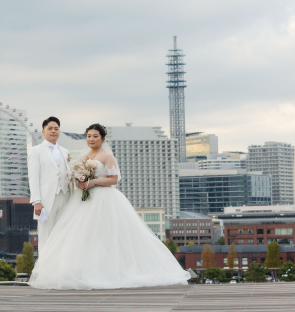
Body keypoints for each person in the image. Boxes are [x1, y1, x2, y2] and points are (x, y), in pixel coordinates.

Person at [28, 123, 191, 290]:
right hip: (83, 200)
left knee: (105, 235)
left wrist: (93, 182)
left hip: (104, 198)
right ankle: (83, 272)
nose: (91, 139)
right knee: (83, 236)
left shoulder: (106, 156)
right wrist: (80, 182)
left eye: (95, 136)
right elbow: (74, 175)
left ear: (102, 138)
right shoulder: (83, 157)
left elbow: (114, 179)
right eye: (89, 136)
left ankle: (111, 272)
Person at [27, 116, 72, 253]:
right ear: (43, 131)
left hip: (65, 197)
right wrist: (36, 201)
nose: (53, 131)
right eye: (50, 128)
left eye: (56, 129)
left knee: (63, 235)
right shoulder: (36, 151)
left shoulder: (65, 152)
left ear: (59, 131)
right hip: (46, 201)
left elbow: (68, 175)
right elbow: (33, 176)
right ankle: (44, 272)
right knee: (46, 236)